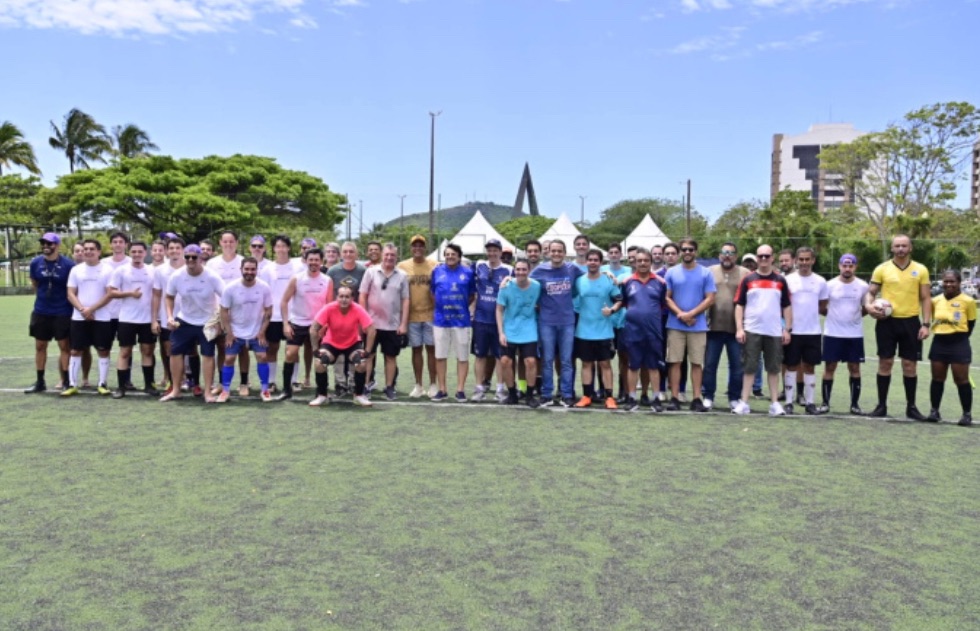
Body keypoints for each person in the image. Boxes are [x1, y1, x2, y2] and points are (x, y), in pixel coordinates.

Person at [866, 234, 932, 420]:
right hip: (886, 322)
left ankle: (911, 407)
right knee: (885, 362)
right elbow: (871, 292)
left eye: (904, 246)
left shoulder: (920, 269)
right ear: (892, 248)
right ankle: (881, 406)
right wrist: (869, 306)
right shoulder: (882, 269)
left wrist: (926, 324)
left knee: (910, 365)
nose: (901, 249)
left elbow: (926, 298)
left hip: (911, 322)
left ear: (910, 248)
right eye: (897, 246)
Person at [732, 244, 792, 416]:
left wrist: (787, 329)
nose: (763, 259)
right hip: (751, 330)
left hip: (774, 331)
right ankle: (744, 402)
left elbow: (787, 306)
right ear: (757, 258)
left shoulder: (780, 280)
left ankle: (774, 404)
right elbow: (739, 305)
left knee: (773, 368)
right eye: (760, 256)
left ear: (772, 258)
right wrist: (739, 328)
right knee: (749, 367)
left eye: (767, 256)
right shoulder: (747, 279)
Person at [161, 244, 225, 402]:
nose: (190, 260)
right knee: (175, 352)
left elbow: (226, 297)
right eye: (187, 257)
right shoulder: (177, 276)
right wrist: (170, 317)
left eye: (194, 257)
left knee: (208, 354)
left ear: (201, 258)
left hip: (207, 321)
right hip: (185, 319)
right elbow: (169, 296)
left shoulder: (211, 276)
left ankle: (208, 392)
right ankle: (176, 390)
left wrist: (219, 321)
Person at [664, 238, 716, 412]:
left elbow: (710, 298)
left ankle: (696, 399)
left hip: (698, 326)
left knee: (696, 363)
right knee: (675, 362)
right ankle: (674, 398)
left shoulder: (706, 273)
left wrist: (691, 314)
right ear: (680, 252)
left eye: (690, 249)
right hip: (675, 325)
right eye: (684, 249)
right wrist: (681, 314)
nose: (687, 252)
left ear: (696, 251)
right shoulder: (671, 272)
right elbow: (666, 297)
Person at [530, 239, 584, 407]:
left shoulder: (572, 268)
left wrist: (608, 274)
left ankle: (566, 394)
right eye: (553, 251)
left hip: (567, 321)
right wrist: (507, 281)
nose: (556, 254)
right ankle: (546, 394)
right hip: (547, 321)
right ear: (548, 252)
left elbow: (590, 275)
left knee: (566, 360)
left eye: (559, 251)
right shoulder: (540, 270)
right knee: (547, 360)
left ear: (565, 253)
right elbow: (524, 282)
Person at [276, 248, 333, 401]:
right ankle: (286, 389)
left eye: (316, 260)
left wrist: (325, 326)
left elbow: (329, 306)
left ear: (321, 261)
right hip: (298, 322)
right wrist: (286, 324)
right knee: (290, 353)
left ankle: (321, 391)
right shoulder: (297, 279)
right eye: (311, 260)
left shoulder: (327, 280)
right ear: (306, 261)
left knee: (319, 357)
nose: (313, 262)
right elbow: (284, 301)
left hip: (318, 324)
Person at [217, 257, 273, 403]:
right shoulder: (231, 287)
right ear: (241, 269)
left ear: (257, 270)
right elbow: (223, 310)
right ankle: (225, 391)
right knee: (228, 359)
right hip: (236, 332)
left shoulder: (264, 287)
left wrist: (262, 332)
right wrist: (229, 333)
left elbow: (268, 310)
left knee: (262, 357)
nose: (249, 272)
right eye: (246, 269)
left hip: (256, 332)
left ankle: (265, 390)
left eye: (253, 269)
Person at [572, 249, 622, 409]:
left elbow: (619, 300)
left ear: (601, 262)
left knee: (605, 364)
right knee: (586, 364)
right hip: (584, 330)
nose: (593, 262)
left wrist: (612, 310)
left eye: (596, 260)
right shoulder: (579, 281)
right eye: (590, 259)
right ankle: (587, 396)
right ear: (586, 261)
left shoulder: (608, 280)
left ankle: (609, 397)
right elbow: (568, 295)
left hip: (604, 331)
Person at [63, 239, 114, 396]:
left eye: (92, 249)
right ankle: (72, 384)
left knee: (103, 350)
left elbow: (110, 294)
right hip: (79, 318)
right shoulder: (76, 270)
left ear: (99, 252)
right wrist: (82, 309)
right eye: (85, 249)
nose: (88, 251)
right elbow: (70, 293)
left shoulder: (108, 270)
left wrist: (91, 309)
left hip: (102, 317)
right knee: (75, 350)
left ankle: (102, 384)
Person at [311, 286, 378, 407]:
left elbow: (371, 330)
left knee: (362, 363)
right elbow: (313, 328)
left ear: (352, 298)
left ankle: (359, 395)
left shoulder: (358, 309)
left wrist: (367, 351)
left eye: (347, 297)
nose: (344, 299)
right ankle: (322, 396)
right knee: (319, 362)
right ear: (337, 297)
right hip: (331, 343)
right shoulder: (329, 308)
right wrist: (315, 349)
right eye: (341, 296)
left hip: (352, 343)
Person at [819, 253, 868, 414]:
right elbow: (822, 307)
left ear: (855, 267)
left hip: (854, 334)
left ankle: (854, 405)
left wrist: (854, 318)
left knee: (854, 367)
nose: (847, 268)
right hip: (833, 333)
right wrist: (835, 317)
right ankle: (825, 403)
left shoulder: (863, 286)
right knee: (829, 367)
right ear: (839, 266)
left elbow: (866, 308)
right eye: (844, 265)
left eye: (850, 266)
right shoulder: (829, 285)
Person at [359, 243, 410, 401]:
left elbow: (406, 300)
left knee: (390, 357)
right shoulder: (370, 272)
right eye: (387, 254)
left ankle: (389, 387)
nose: (389, 257)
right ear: (382, 255)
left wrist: (403, 324)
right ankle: (366, 386)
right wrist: (364, 320)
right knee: (368, 356)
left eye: (392, 255)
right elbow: (362, 295)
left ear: (396, 257)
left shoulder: (402, 275)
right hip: (372, 325)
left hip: (392, 325)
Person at [25, 232, 74, 393]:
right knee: (40, 346)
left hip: (62, 311)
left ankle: (67, 381)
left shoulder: (68, 265)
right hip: (41, 310)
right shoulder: (36, 263)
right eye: (43, 243)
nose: (46, 246)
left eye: (49, 243)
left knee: (64, 346)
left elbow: (72, 288)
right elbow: (35, 283)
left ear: (57, 245)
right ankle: (40, 382)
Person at [107, 241, 158, 397]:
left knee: (147, 351)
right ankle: (121, 387)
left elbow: (156, 294)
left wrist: (154, 319)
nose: (137, 254)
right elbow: (111, 292)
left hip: (147, 319)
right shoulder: (121, 270)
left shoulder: (152, 271)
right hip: (127, 319)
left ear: (145, 253)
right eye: (134, 252)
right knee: (125, 352)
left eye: (140, 252)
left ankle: (149, 385)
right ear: (130, 253)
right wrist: (130, 293)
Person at [782, 246, 828, 415]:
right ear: (796, 260)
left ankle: (810, 403)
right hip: (793, 331)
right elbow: (783, 304)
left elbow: (822, 305)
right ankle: (788, 402)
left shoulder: (821, 281)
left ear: (813, 260)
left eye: (807, 259)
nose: (804, 262)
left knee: (810, 367)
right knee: (791, 366)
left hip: (813, 331)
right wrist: (786, 327)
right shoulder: (787, 280)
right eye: (801, 259)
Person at [703, 242, 749, 411]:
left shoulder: (745, 273)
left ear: (736, 256)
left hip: (736, 329)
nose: (727, 256)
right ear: (719, 255)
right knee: (710, 365)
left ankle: (734, 398)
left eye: (731, 253)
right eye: (724, 252)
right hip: (713, 327)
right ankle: (708, 396)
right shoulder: (709, 271)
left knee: (737, 366)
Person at [926, 270, 976, 426]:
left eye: (952, 281)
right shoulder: (935, 301)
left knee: (961, 380)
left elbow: (971, 324)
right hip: (939, 343)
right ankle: (934, 411)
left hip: (959, 343)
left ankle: (966, 414)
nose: (948, 284)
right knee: (937, 379)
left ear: (959, 282)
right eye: (946, 281)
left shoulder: (968, 301)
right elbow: (932, 319)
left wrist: (958, 337)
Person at [620, 248, 667, 412]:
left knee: (653, 366)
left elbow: (663, 304)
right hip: (633, 330)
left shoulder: (661, 282)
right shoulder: (627, 282)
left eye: (646, 260)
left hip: (653, 331)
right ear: (634, 262)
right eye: (639, 260)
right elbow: (624, 302)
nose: (642, 263)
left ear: (651, 262)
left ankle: (656, 399)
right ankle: (632, 398)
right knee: (633, 365)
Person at [430, 243, 476, 401]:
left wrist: (460, 307)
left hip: (461, 321)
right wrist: (441, 307)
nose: (450, 257)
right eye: (447, 254)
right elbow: (433, 293)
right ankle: (442, 389)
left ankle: (460, 390)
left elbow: (471, 295)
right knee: (440, 356)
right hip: (441, 321)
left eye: (453, 254)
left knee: (462, 357)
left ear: (459, 256)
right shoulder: (436, 271)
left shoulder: (468, 272)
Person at [206, 230, 248, 396]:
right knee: (222, 348)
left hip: (241, 312)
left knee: (243, 348)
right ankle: (222, 383)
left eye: (231, 241)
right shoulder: (212, 264)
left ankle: (244, 383)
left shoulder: (243, 262)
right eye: (225, 241)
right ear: (220, 243)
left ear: (236, 243)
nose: (228, 244)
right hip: (218, 312)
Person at [496, 259, 542, 407]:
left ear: (529, 271)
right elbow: (499, 310)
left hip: (529, 328)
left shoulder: (536, 286)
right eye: (518, 269)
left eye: (524, 269)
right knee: (505, 361)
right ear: (514, 271)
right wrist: (501, 333)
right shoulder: (506, 286)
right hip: (510, 329)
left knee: (530, 361)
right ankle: (512, 394)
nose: (521, 272)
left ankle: (529, 396)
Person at [397, 235, 439, 398]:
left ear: (425, 248)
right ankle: (418, 385)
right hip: (412, 316)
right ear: (411, 248)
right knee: (416, 350)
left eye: (421, 245)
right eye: (415, 245)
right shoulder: (402, 266)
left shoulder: (435, 265)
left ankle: (433, 384)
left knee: (431, 350)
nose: (418, 248)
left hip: (431, 315)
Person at [471, 239, 512, 402]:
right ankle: (479, 388)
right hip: (480, 320)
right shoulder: (478, 265)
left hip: (499, 322)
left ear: (500, 252)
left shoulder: (509, 270)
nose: (492, 253)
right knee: (480, 355)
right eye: (489, 250)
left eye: (495, 250)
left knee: (499, 356)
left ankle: (500, 389)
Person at [259, 235, 299, 394]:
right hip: (274, 316)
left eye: (284, 246)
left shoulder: (297, 268)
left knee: (292, 350)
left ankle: (294, 381)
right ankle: (271, 382)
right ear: (274, 249)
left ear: (288, 248)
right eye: (278, 246)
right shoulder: (267, 269)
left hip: (292, 316)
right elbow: (263, 293)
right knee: (272, 348)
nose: (281, 249)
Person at [327, 242, 367, 393]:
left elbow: (364, 295)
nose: (348, 254)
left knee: (354, 349)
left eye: (351, 252)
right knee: (338, 352)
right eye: (345, 252)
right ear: (341, 254)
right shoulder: (333, 271)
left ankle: (352, 381)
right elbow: (329, 295)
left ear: (356, 254)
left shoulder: (362, 271)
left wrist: (362, 320)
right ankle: (340, 383)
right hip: (337, 316)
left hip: (355, 317)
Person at [151, 236, 185, 395]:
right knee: (168, 350)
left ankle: (191, 381)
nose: (174, 251)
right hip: (167, 317)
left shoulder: (191, 267)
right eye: (171, 248)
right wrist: (154, 319)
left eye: (178, 248)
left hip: (189, 317)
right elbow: (157, 295)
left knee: (191, 351)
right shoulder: (160, 271)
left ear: (183, 250)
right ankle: (173, 382)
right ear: (166, 251)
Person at [601, 243, 632, 401]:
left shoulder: (628, 271)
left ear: (621, 254)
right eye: (611, 252)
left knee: (624, 357)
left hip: (622, 320)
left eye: (616, 252)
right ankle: (603, 390)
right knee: (602, 358)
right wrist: (605, 273)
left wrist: (616, 279)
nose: (613, 255)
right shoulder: (601, 269)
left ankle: (624, 391)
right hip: (605, 320)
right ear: (607, 255)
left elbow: (625, 281)